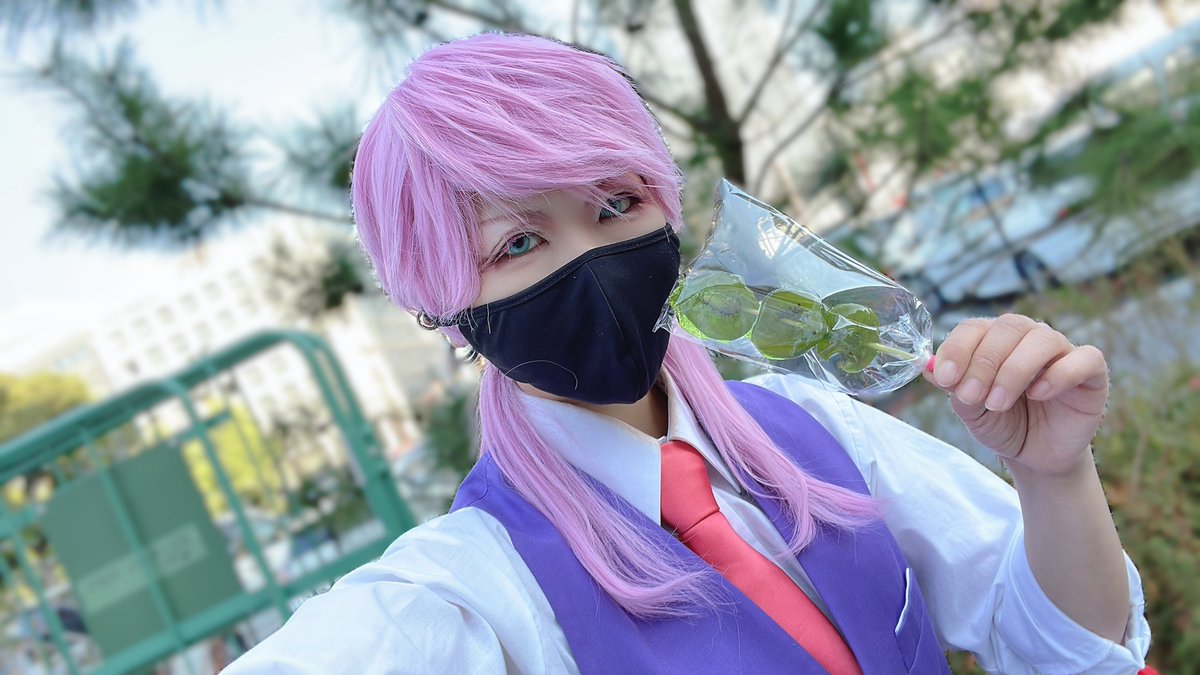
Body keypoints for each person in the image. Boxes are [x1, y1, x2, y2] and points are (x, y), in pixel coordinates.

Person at [223, 33, 1151, 674]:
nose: (593, 260)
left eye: (616, 204)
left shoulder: (816, 433)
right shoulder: (479, 584)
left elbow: (1067, 648)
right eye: (517, 243)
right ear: (448, 310)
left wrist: (1052, 475)